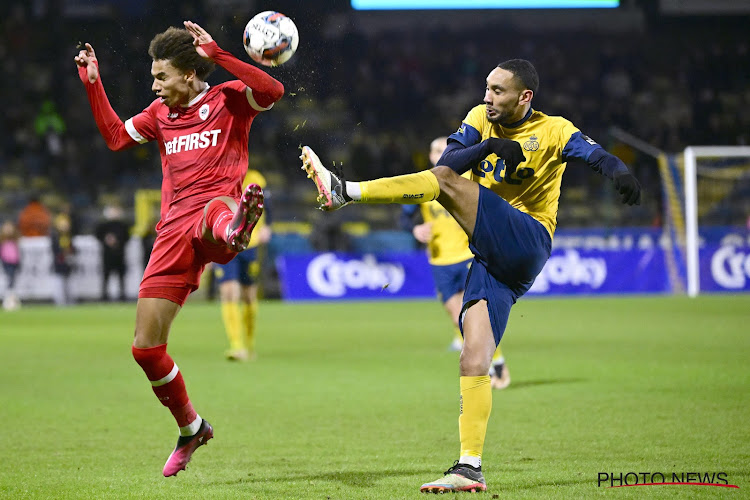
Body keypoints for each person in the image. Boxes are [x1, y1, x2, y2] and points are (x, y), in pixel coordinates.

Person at [300, 59, 641, 493]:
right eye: (486, 88)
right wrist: (487, 148)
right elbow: (451, 161)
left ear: (525, 97)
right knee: (473, 357)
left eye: (498, 91)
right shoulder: (481, 119)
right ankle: (469, 467)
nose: (487, 97)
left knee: (443, 185)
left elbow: (595, 155)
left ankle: (345, 190)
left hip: (529, 237)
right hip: (492, 258)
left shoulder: (554, 129)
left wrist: (619, 172)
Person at [74, 20, 284, 476]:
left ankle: (236, 229)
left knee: (217, 213)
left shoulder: (228, 100)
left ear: (189, 74)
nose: (154, 85)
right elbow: (115, 137)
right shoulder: (158, 115)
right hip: (172, 234)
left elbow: (272, 90)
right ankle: (191, 427)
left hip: (215, 210)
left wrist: (220, 54)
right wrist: (94, 85)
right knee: (146, 349)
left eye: (161, 76)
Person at [401, 137, 510, 389]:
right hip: (439, 261)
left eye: (443, 149)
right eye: (434, 149)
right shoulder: (423, 186)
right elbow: (404, 218)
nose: (438, 153)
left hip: (468, 257)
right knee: (458, 318)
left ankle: (495, 365)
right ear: (429, 156)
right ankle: (494, 362)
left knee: (473, 317)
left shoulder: (465, 181)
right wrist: (415, 229)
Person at [214, 168, 272, 361]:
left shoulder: (256, 178)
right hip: (224, 242)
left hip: (250, 243)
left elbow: (267, 207)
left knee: (249, 296)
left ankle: (249, 344)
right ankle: (236, 345)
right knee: (229, 292)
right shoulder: (216, 177)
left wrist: (268, 227)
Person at [95, 204, 131, 301]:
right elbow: (98, 235)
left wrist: (118, 241)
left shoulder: (123, 225)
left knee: (121, 277)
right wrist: (106, 240)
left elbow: (127, 237)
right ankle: (104, 295)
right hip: (107, 255)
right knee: (106, 276)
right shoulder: (103, 225)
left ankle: (122, 295)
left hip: (119, 254)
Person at [1, 220, 21, 311]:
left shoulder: (15, 240)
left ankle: (12, 298)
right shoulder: (3, 240)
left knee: (12, 279)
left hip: (14, 262)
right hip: (6, 262)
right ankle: (8, 299)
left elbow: (18, 253)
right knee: (9, 279)